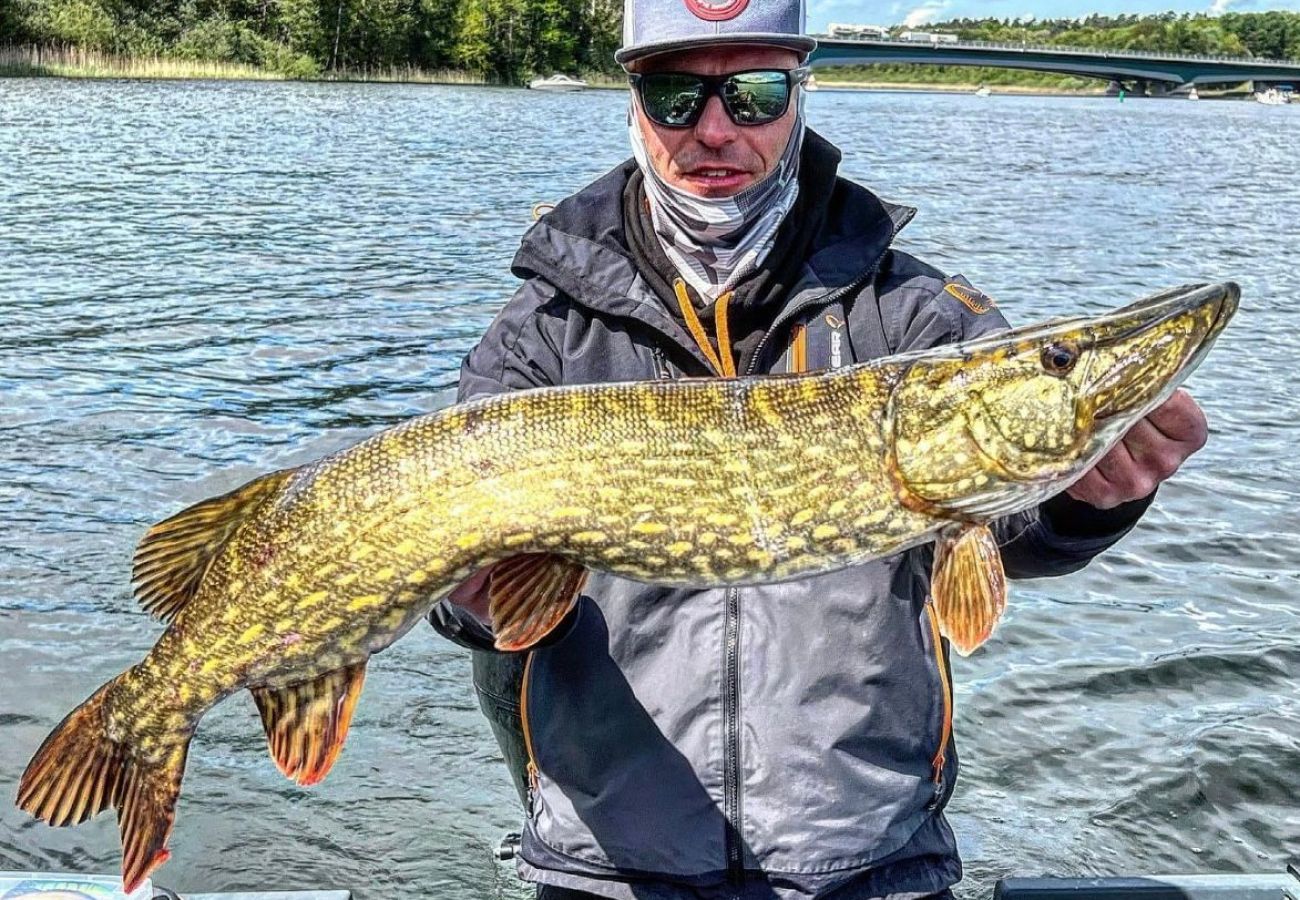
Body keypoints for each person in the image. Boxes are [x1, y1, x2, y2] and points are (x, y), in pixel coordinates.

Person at [429, 1, 1209, 897]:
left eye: (755, 93)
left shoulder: (914, 316)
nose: (715, 129)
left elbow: (1010, 531)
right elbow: (471, 605)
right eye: (676, 95)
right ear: (633, 103)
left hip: (866, 860)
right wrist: (470, 596)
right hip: (609, 865)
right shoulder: (546, 326)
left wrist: (1088, 497)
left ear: (800, 95)